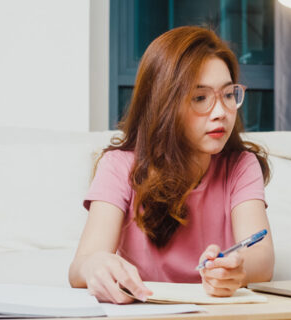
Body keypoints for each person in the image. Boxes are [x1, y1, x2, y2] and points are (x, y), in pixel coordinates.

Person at [68, 26, 274, 304]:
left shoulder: (240, 165)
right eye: (200, 97)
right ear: (163, 103)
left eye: (227, 95)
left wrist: (237, 267)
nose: (220, 113)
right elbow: (80, 267)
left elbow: (262, 259)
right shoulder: (118, 165)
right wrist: (94, 266)